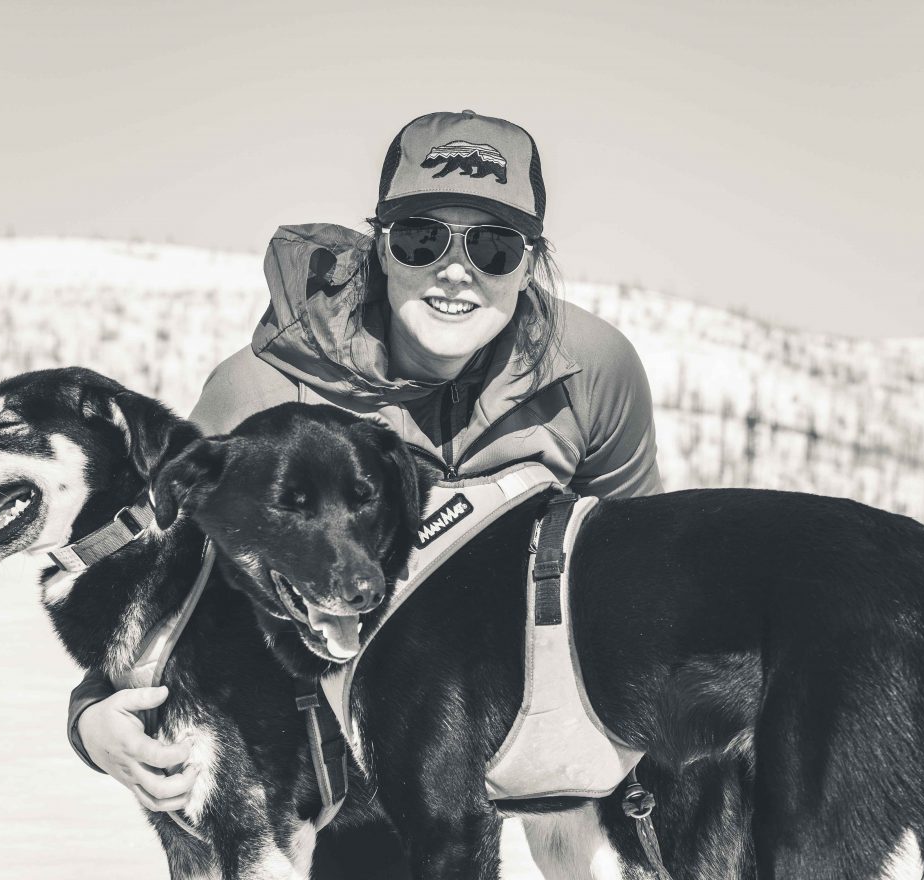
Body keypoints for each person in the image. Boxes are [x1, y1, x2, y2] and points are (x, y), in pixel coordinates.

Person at [69, 109, 663, 871]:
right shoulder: (261, 398)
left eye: (494, 245)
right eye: (421, 239)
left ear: (530, 261)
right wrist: (91, 719)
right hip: (349, 760)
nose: (457, 271)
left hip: (545, 727)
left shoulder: (592, 370)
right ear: (381, 244)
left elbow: (641, 582)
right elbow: (162, 595)